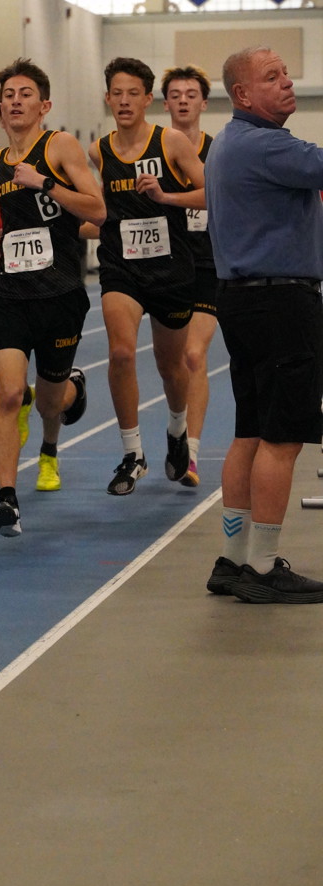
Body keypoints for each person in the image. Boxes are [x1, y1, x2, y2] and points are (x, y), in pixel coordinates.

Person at [204, 47, 323, 603]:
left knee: (250, 431)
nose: (287, 82)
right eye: (272, 77)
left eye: (286, 74)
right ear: (243, 94)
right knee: (283, 436)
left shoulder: (229, 142)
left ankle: (232, 559)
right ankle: (264, 566)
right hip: (281, 303)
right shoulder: (267, 145)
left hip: (243, 300)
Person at [0, 59, 104, 536]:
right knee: (9, 393)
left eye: (25, 94)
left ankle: (72, 390)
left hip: (59, 293)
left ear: (44, 106)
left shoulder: (59, 146)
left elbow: (99, 210)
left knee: (48, 403)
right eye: (8, 95)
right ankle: (7, 498)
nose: (16, 101)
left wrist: (44, 182)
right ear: (0, 108)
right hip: (9, 294)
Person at [88, 57, 207, 496]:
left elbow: (214, 192)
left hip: (171, 269)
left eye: (132, 93)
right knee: (121, 352)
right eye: (117, 93)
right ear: (107, 98)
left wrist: (166, 197)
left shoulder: (170, 142)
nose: (124, 101)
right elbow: (95, 209)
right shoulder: (97, 151)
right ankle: (132, 453)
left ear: (147, 99)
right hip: (121, 267)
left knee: (171, 366)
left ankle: (177, 428)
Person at [161, 64, 218, 487]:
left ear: (204, 102)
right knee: (172, 365)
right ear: (165, 103)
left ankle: (191, 455)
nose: (183, 100)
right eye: (176, 94)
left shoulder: (218, 152)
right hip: (164, 268)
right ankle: (176, 427)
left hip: (208, 266)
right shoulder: (153, 152)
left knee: (194, 356)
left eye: (191, 94)